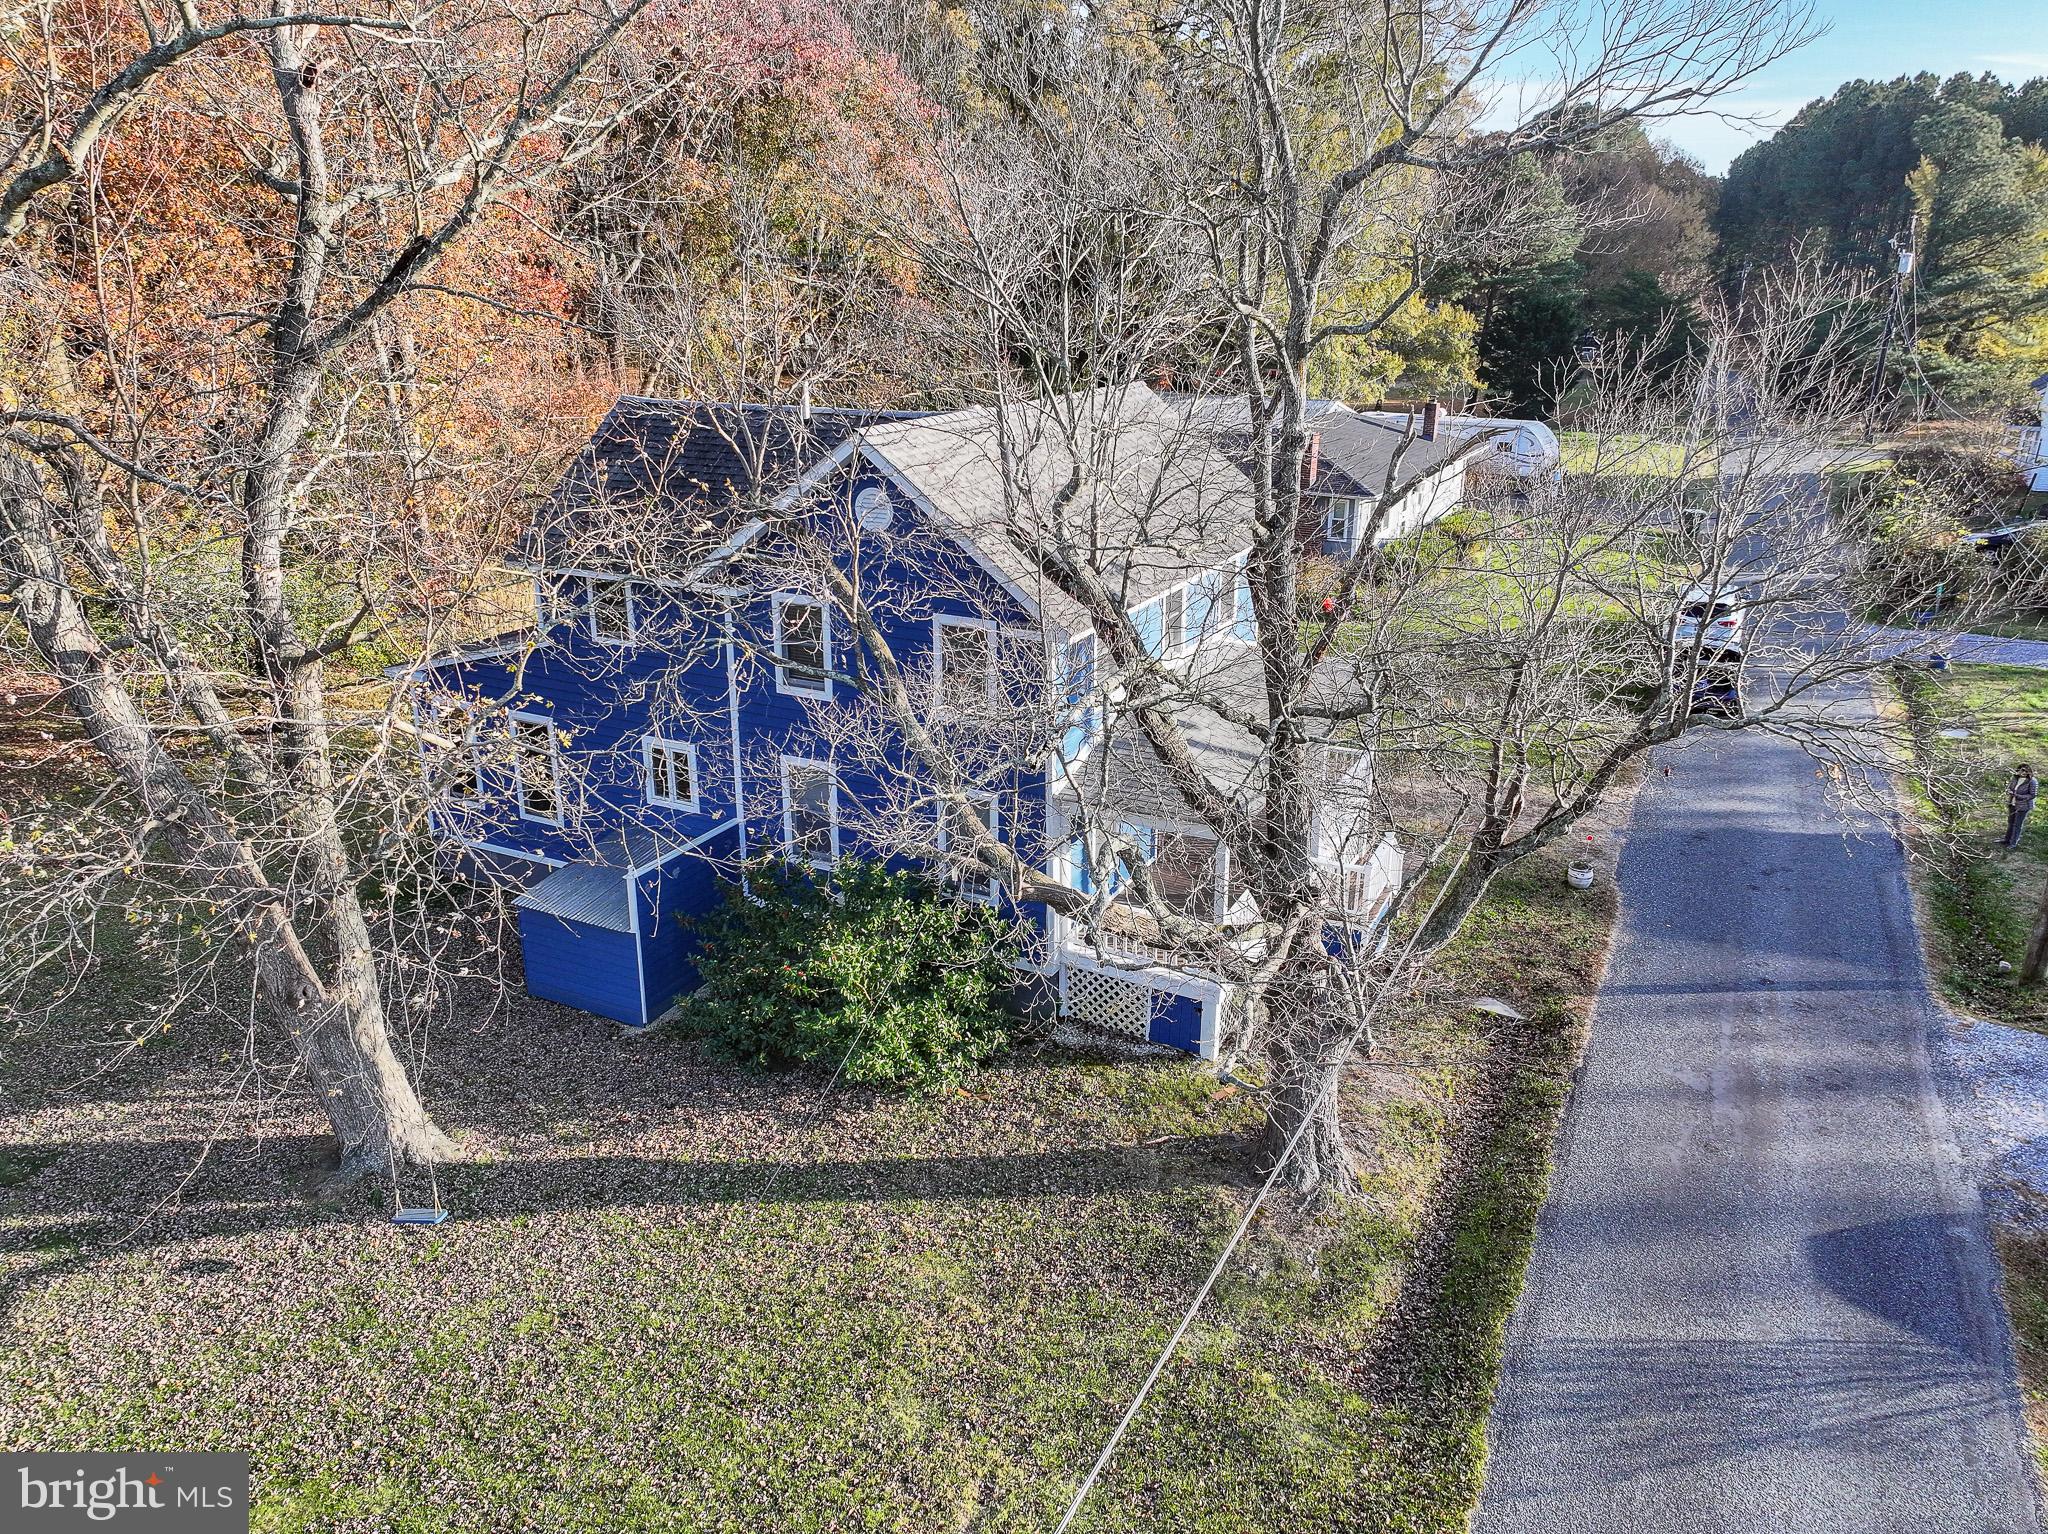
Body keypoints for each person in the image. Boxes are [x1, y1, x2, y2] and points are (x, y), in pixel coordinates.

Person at [2005, 764, 2038, 850]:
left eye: (2025, 771)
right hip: (2012, 803)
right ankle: (2006, 840)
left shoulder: (2032, 781)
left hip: (2023, 806)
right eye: (2021, 770)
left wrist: (2017, 795)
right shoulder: (2015, 778)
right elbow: (2010, 787)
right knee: (2010, 822)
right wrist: (2009, 791)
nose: (2023, 772)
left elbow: (2032, 795)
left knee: (2017, 825)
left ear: (2029, 771)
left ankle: (2013, 843)